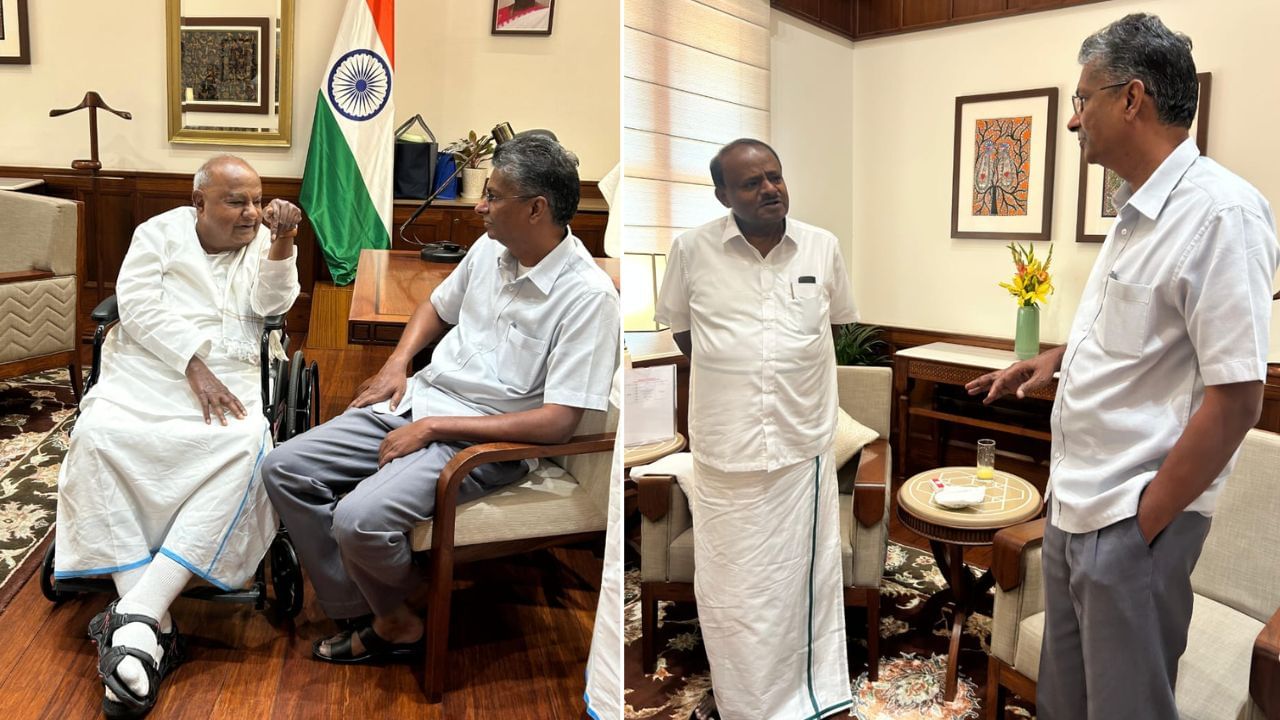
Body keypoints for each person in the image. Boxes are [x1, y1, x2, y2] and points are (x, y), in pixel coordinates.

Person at [966, 14, 1278, 719]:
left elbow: (1238, 398)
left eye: (1083, 99)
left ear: (1132, 98)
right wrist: (1053, 361)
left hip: (1131, 519)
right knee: (1066, 704)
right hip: (1075, 503)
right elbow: (1135, 336)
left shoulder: (1222, 214)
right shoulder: (1135, 212)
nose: (1074, 120)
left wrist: (1142, 526)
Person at [261, 134, 619, 664]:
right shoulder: (491, 250)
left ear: (536, 209)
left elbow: (557, 423)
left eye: (493, 195)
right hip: (420, 402)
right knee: (284, 467)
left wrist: (433, 429)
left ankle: (399, 619)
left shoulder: (588, 297)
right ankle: (370, 605)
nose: (480, 206)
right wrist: (397, 363)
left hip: (485, 442)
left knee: (358, 519)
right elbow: (435, 306)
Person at [53, 155, 301, 718]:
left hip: (235, 368)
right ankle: (150, 617)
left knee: (245, 443)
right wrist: (191, 364)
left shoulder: (267, 236)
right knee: (98, 432)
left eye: (257, 200)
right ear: (198, 203)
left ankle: (135, 621)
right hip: (150, 364)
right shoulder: (157, 233)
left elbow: (273, 307)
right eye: (236, 202)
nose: (252, 213)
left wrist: (283, 242)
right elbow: (136, 306)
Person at [654, 138, 858, 720]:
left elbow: (834, 328)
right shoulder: (690, 250)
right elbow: (685, 334)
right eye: (752, 182)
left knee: (801, 580)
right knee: (734, 585)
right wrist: (736, 373)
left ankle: (809, 691)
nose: (771, 189)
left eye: (775, 176)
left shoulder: (822, 246)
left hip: (801, 447)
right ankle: (742, 697)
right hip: (727, 448)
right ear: (723, 195)